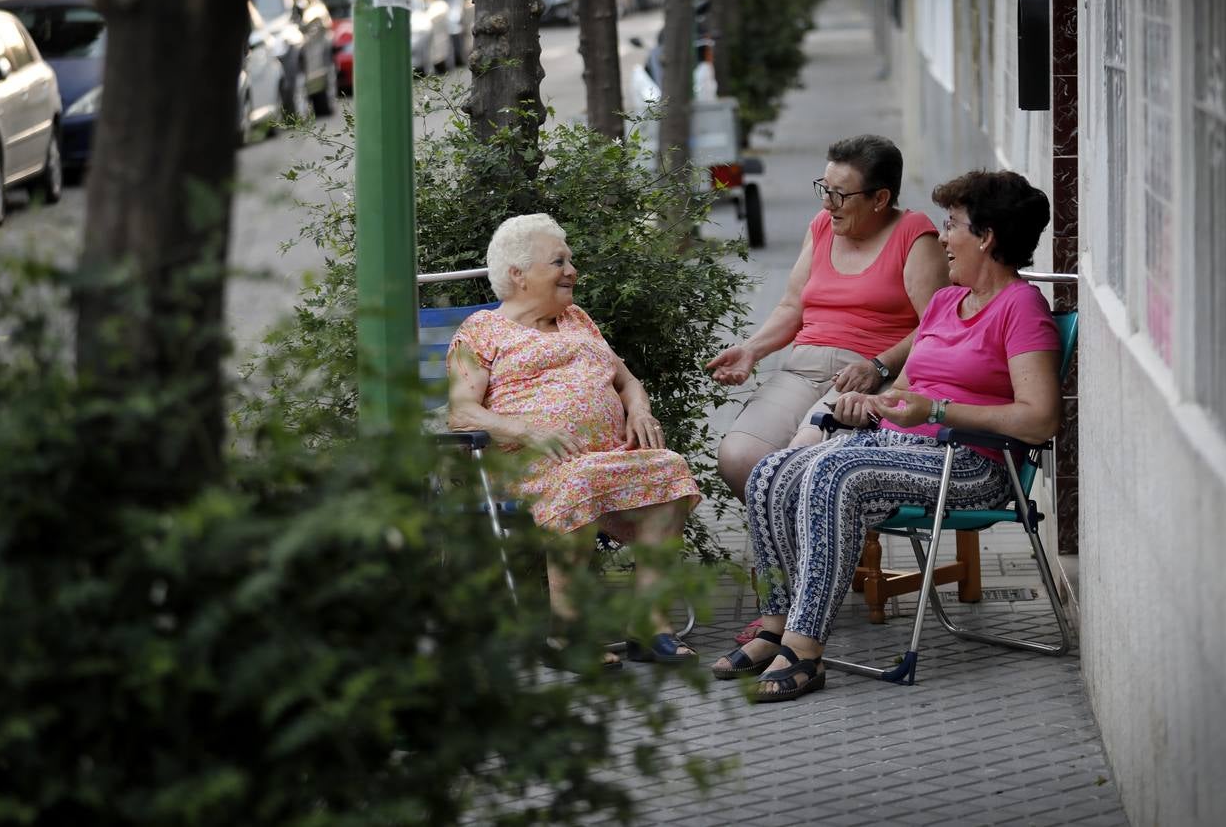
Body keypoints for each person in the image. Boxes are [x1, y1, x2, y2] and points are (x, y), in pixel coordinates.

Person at [710, 170, 1063, 702]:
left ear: (986, 237)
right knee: (770, 472)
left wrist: (940, 409)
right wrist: (872, 404)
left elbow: (1040, 420)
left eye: (953, 225)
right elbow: (905, 389)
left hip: (970, 465)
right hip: (901, 449)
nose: (943, 237)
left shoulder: (1021, 308)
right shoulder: (947, 303)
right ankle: (774, 622)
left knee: (833, 473)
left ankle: (805, 651)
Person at [447, 213, 701, 668]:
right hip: (529, 464)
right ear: (518, 275)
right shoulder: (480, 331)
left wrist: (639, 408)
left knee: (670, 468)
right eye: (558, 261)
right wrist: (527, 428)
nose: (571, 271)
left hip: (602, 459)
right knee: (579, 477)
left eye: (570, 260)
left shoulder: (578, 319)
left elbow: (628, 381)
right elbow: (461, 411)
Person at [706, 134, 949, 501]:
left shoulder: (915, 236)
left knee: (802, 460)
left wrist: (879, 367)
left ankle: (815, 554)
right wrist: (752, 350)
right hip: (803, 368)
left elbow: (935, 326)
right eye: (824, 187)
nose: (827, 202)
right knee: (738, 458)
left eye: (840, 194)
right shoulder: (821, 226)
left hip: (868, 376)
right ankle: (797, 551)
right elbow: (791, 307)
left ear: (880, 198)